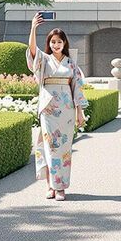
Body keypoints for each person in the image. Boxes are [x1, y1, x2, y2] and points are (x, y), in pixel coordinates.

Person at [26, 13, 87, 201]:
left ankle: (60, 187)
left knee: (64, 149)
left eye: (59, 41)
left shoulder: (71, 63)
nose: (56, 45)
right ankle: (50, 186)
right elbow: (32, 51)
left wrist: (80, 112)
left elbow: (77, 88)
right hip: (48, 109)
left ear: (64, 43)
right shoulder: (44, 59)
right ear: (49, 43)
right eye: (53, 42)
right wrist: (33, 28)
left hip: (67, 110)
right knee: (49, 146)